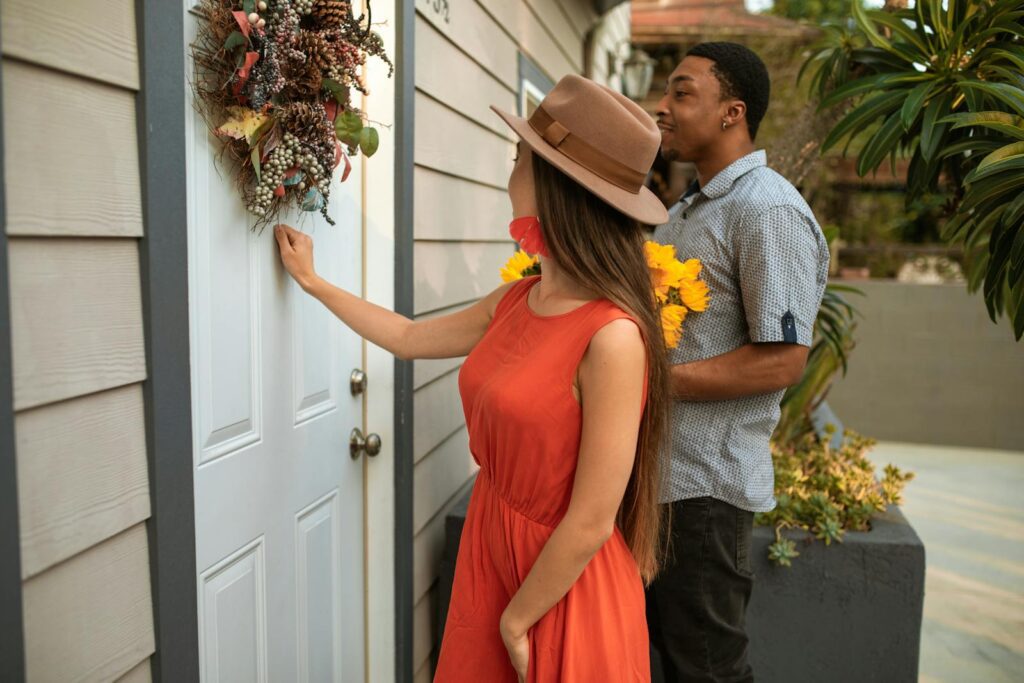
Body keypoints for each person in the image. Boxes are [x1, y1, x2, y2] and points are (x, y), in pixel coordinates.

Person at [276, 74, 673, 682]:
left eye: (519, 159)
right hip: (493, 551)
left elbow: (593, 519)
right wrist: (313, 282)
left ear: (554, 185)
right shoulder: (518, 299)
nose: (508, 173)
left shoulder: (612, 336)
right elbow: (409, 338)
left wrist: (517, 619)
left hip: (557, 586)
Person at [646, 42, 830, 682]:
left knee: (706, 669)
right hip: (658, 483)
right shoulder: (686, 212)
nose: (662, 108)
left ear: (733, 112)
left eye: (681, 92)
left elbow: (780, 363)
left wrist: (648, 382)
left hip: (705, 492)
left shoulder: (766, 209)